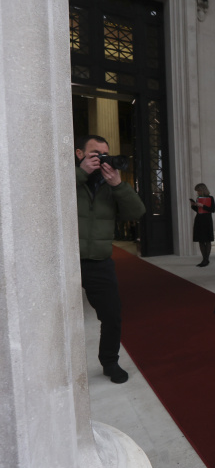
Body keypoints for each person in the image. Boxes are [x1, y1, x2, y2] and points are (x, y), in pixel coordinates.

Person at [75, 134, 146, 384]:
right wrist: (81, 173)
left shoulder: (110, 184)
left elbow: (137, 212)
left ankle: (110, 362)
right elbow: (48, 198)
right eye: (96, 154)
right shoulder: (70, 178)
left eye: (105, 154)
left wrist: (118, 185)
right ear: (79, 154)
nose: (101, 159)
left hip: (100, 261)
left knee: (112, 315)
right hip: (67, 262)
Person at [190, 182, 215, 267]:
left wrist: (202, 205)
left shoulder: (210, 198)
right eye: (197, 191)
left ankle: (206, 259)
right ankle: (204, 259)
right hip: (199, 220)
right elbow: (198, 210)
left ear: (203, 190)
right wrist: (193, 205)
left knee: (207, 240)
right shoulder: (198, 198)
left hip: (207, 221)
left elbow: (212, 209)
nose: (198, 193)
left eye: (199, 191)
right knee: (200, 240)